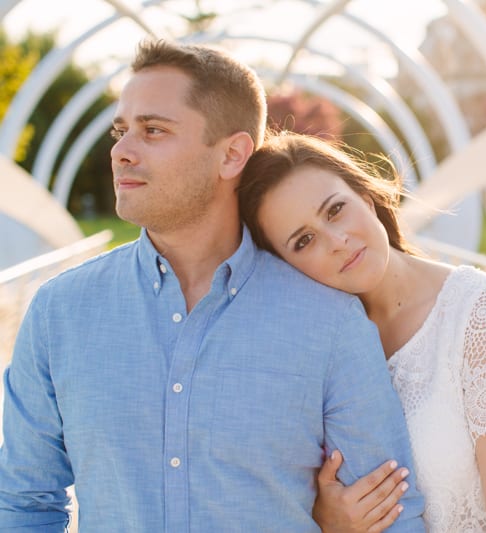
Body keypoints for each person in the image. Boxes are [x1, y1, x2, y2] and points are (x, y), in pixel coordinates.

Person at [0, 40, 425, 531]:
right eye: (121, 132)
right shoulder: (59, 313)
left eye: (152, 131)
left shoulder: (328, 322)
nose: (120, 151)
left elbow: (394, 516)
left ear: (232, 154)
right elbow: (24, 503)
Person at [238, 131, 486, 532]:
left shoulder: (480, 315)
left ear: (366, 200)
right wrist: (323, 516)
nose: (337, 241)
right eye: (304, 241)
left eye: (335, 210)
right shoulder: (303, 350)